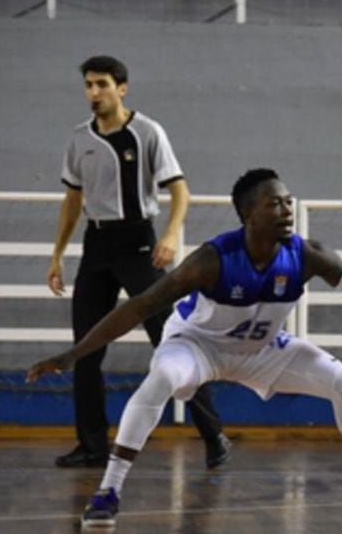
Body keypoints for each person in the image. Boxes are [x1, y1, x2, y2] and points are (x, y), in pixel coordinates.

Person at [29, 168, 342, 529]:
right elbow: (140, 305)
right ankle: (108, 492)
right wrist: (74, 353)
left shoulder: (305, 254)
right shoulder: (212, 260)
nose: (287, 209)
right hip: (197, 347)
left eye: (288, 201)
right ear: (249, 215)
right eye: (274, 203)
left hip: (263, 352)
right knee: (162, 376)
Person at [46, 55, 228, 469]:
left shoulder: (147, 132)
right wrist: (56, 255)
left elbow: (180, 191)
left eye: (102, 85)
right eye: (89, 85)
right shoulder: (79, 139)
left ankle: (214, 434)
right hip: (97, 246)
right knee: (85, 348)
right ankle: (92, 445)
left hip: (138, 244)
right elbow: (72, 201)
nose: (94, 93)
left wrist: (170, 234)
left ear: (121, 88)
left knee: (173, 341)